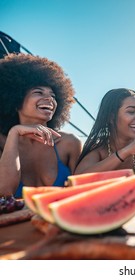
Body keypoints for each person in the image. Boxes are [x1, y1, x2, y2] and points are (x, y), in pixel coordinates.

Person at [0, 53, 82, 198]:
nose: (49, 98)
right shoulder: (2, 143)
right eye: (38, 92)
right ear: (14, 101)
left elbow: (84, 191)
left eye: (53, 96)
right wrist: (15, 132)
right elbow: (5, 192)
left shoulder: (69, 143)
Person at [75, 88, 135, 190]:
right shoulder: (99, 150)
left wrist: (115, 190)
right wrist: (127, 151)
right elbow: (77, 181)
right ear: (111, 117)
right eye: (131, 111)